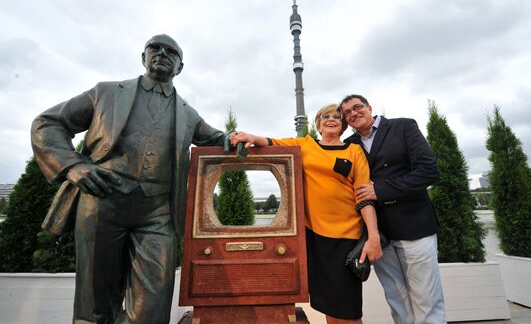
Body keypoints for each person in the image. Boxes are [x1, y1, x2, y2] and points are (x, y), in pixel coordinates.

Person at [31, 34, 230, 324]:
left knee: (152, 308)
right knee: (95, 304)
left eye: (170, 52)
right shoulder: (106, 93)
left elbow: (217, 138)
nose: (162, 54)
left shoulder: (187, 113)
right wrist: (72, 166)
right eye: (155, 49)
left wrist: (236, 139)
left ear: (180, 67)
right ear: (143, 57)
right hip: (102, 203)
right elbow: (48, 123)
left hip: (157, 214)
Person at [231, 104, 383, 324]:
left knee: (347, 307)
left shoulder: (354, 150)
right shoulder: (305, 145)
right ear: (318, 124)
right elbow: (272, 142)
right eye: (325, 117)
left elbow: (364, 196)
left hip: (346, 237)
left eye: (337, 117)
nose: (331, 119)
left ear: (342, 126)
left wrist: (373, 236)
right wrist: (250, 136)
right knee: (329, 303)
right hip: (313, 236)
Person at [339, 94, 446, 324]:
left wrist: (381, 190)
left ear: (369, 108)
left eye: (358, 107)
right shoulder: (349, 145)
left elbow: (428, 171)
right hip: (378, 235)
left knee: (426, 298)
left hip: (414, 225)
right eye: (347, 112)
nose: (353, 113)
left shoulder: (403, 126)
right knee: (396, 298)